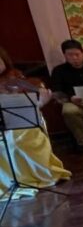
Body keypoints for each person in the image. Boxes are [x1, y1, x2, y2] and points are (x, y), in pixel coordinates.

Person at [0, 47, 71, 193]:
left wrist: (41, 103)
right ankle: (9, 181)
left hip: (24, 123)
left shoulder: (16, 77)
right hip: (2, 127)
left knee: (16, 140)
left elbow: (30, 107)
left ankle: (31, 176)